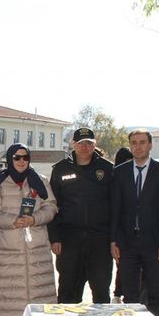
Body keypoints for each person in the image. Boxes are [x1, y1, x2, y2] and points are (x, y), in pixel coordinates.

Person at [0, 143, 57, 316]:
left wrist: (35, 219)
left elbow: (51, 206)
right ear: (10, 159)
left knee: (37, 289)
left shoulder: (40, 181)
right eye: (16, 157)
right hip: (10, 246)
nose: (21, 161)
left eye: (25, 157)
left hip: (36, 247)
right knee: (9, 291)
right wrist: (12, 221)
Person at [111, 129, 159, 316]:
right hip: (127, 243)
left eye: (142, 142)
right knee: (130, 295)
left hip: (154, 243)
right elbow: (115, 209)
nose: (138, 147)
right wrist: (113, 240)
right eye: (134, 143)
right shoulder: (120, 172)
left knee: (155, 294)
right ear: (129, 146)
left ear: (150, 145)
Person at [48, 127, 114, 305]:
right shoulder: (60, 169)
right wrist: (54, 238)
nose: (85, 147)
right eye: (80, 143)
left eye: (89, 143)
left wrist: (114, 239)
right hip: (70, 242)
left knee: (101, 293)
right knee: (68, 292)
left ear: (94, 145)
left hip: (99, 241)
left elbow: (116, 207)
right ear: (73, 145)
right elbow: (52, 206)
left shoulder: (107, 169)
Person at [111, 147, 133, 303]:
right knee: (122, 266)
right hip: (122, 233)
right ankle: (118, 293)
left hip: (132, 233)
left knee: (123, 267)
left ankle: (119, 293)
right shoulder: (118, 175)